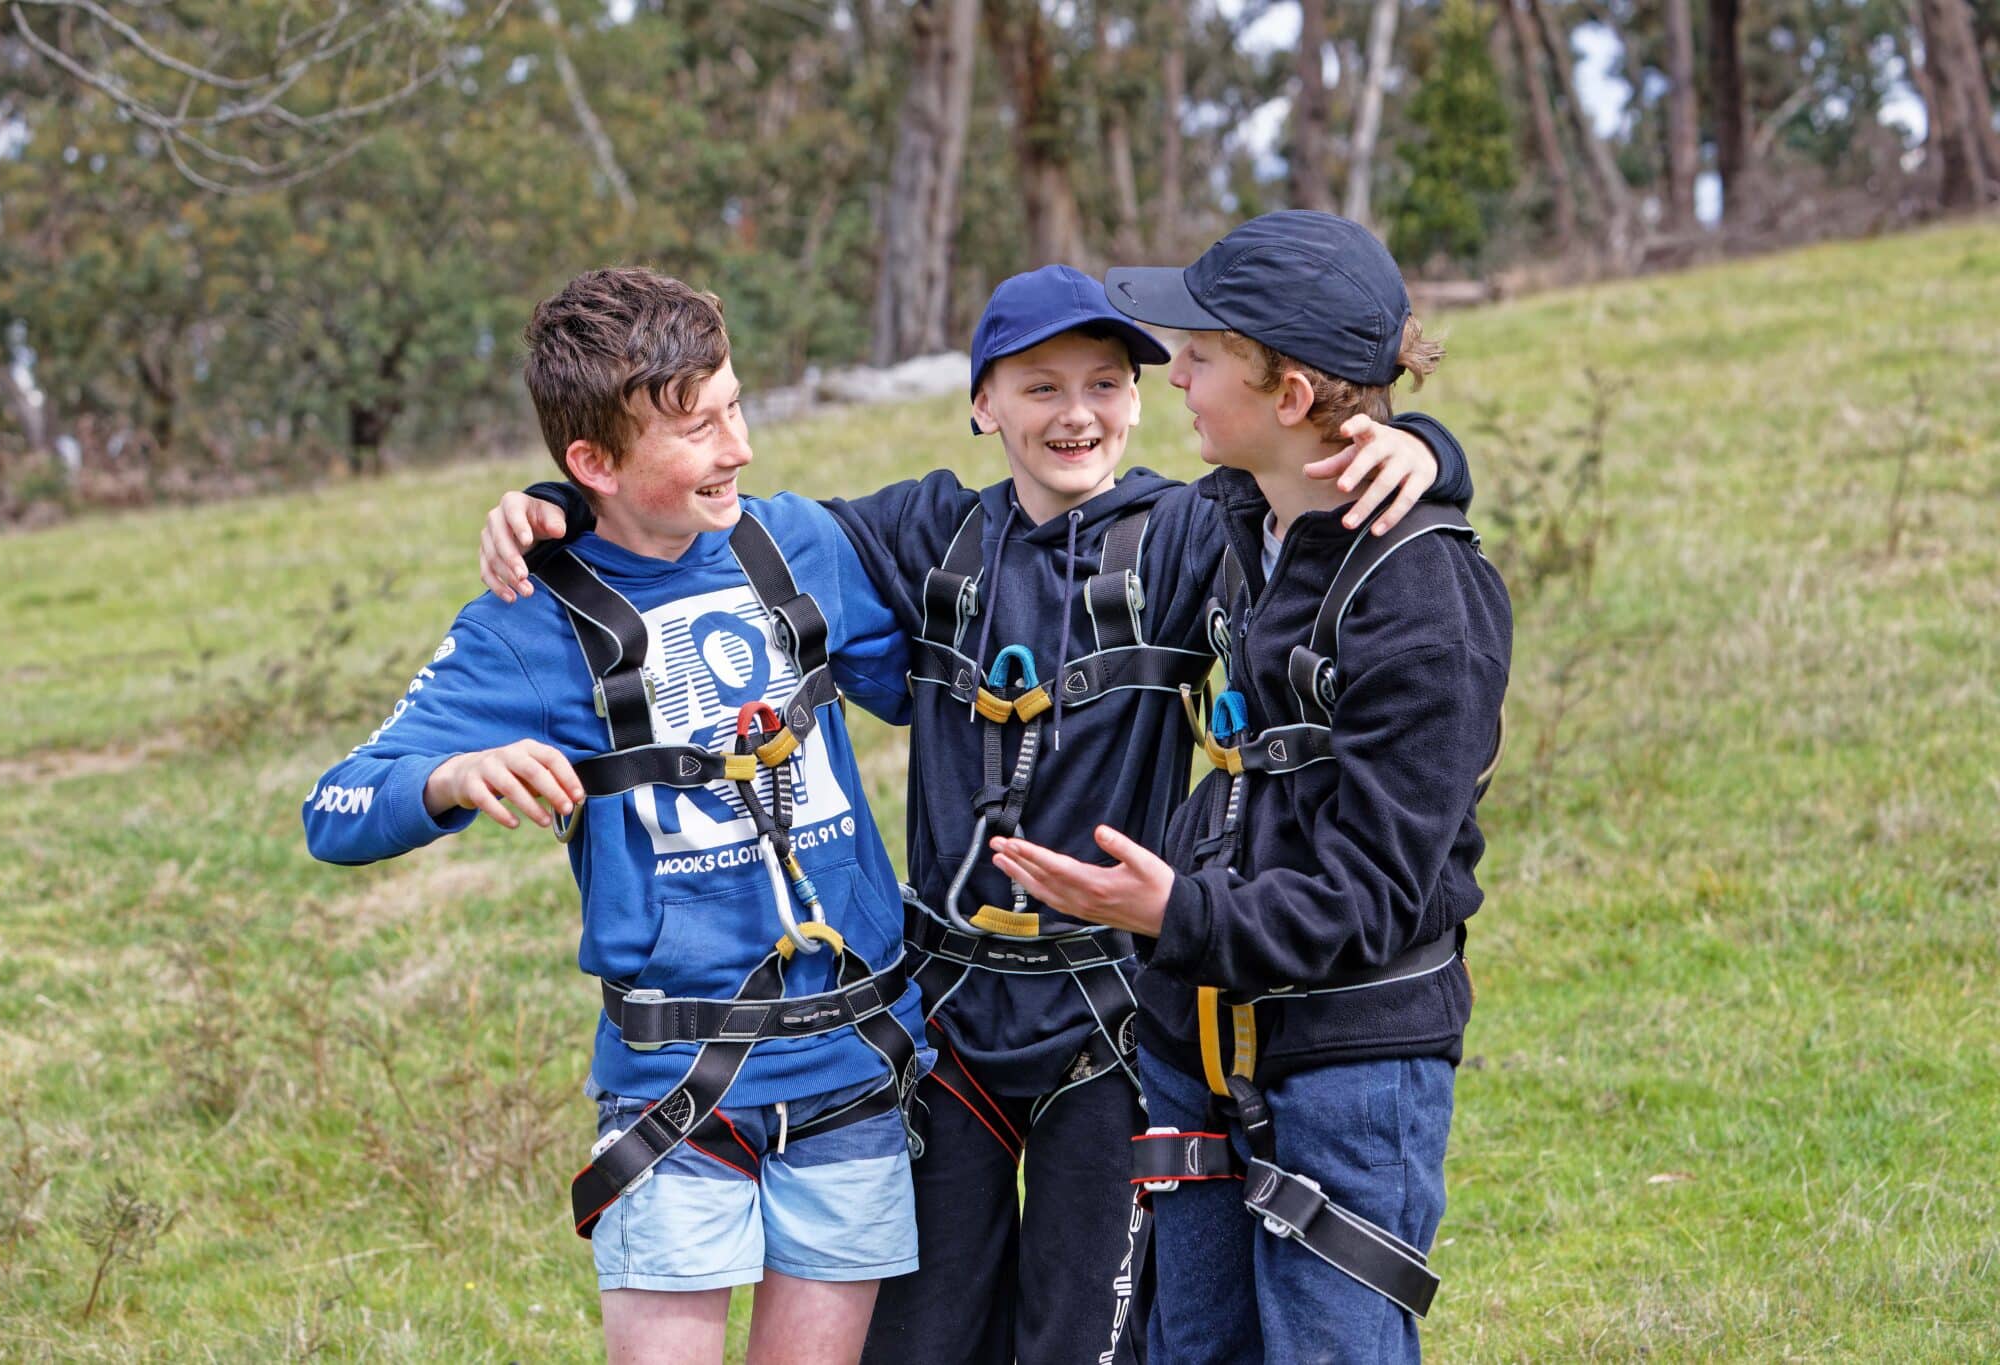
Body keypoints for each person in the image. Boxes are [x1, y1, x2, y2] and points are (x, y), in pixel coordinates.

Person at [476, 264, 1474, 1365]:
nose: (1077, 413)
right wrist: (562, 504)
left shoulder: (1189, 536)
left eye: (1105, 383)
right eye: (1038, 387)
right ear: (980, 404)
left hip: (1110, 1021)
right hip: (944, 1018)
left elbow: (1315, 479)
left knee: (1081, 1334)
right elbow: (701, 516)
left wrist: (1426, 443)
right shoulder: (923, 535)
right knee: (921, 1336)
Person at [304, 266, 930, 1365]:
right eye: (696, 429)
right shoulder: (526, 623)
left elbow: (967, 629)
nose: (735, 447)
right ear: (591, 462)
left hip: (853, 1073)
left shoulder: (802, 547)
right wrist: (452, 779)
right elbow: (336, 805)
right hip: (674, 1097)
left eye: (735, 407)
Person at [990, 212, 1512, 1365]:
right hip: (1193, 1036)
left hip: (1347, 1064)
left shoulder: (1424, 602)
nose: (1168, 372)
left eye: (1203, 354)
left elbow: (1372, 897)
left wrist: (1169, 913)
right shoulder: (1238, 517)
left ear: (1288, 395)